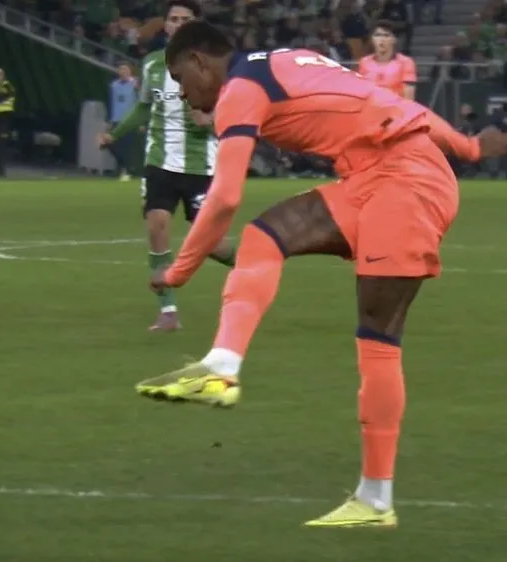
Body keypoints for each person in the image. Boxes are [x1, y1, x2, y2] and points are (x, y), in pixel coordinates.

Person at [135, 21, 507, 528]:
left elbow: (224, 196)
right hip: (373, 175)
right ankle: (221, 366)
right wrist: (467, 148)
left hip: (408, 185)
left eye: (180, 77)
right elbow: (394, 106)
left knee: (377, 336)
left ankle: (375, 500)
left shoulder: (239, 90)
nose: (181, 91)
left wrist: (180, 270)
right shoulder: (286, 61)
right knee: (265, 236)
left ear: (200, 61)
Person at [97, 0, 235, 332]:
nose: (178, 24)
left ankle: (250, 265)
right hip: (160, 160)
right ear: (166, 25)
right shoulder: (152, 65)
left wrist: (211, 120)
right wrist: (114, 133)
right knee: (157, 227)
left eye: (185, 19)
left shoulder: (214, 65)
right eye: (173, 19)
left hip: (201, 164)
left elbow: (233, 109)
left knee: (211, 244)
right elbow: (144, 107)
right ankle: (168, 312)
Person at [358, 21, 416, 100]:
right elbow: (361, 92)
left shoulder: (406, 62)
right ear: (371, 39)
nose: (381, 39)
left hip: (395, 106)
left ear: (394, 39)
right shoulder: (364, 62)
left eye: (386, 35)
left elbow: (409, 99)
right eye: (377, 35)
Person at [106, 62, 136, 181]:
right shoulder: (114, 86)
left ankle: (125, 170)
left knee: (126, 146)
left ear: (130, 72)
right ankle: (122, 166)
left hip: (129, 120)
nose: (123, 72)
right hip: (116, 120)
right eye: (121, 70)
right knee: (110, 144)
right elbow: (110, 103)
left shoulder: (135, 85)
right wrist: (109, 120)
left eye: (126, 70)